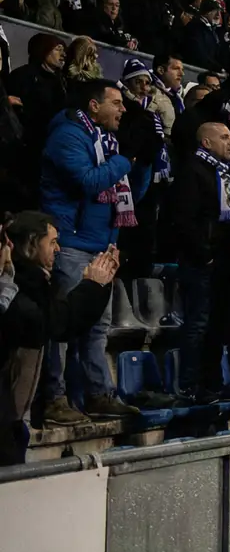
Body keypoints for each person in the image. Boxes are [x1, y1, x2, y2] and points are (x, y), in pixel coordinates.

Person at [38, 79, 150, 423]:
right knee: (62, 327)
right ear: (93, 105)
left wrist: (142, 161)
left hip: (102, 245)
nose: (123, 109)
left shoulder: (106, 142)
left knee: (97, 328)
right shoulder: (68, 135)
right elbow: (88, 181)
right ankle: (54, 399)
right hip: (71, 243)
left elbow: (130, 195)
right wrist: (125, 159)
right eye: (116, 103)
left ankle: (98, 394)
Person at [1, 212, 118, 464]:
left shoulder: (37, 282)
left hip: (14, 423)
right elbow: (53, 323)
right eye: (52, 242)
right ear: (32, 243)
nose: (58, 249)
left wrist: (97, 284)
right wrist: (92, 286)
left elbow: (60, 322)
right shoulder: (21, 288)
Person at [169, 122, 230, 403]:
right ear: (206, 142)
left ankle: (213, 384)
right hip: (201, 261)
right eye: (225, 137)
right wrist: (204, 253)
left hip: (227, 260)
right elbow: (183, 219)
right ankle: (190, 385)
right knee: (199, 323)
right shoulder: (192, 170)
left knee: (218, 325)